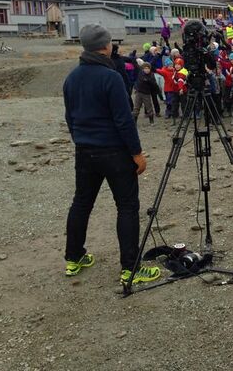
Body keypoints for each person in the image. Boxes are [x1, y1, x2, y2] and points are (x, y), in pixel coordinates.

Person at [62, 24, 160, 285]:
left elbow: (70, 118)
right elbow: (124, 120)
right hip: (114, 151)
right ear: (105, 45)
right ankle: (130, 268)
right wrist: (137, 153)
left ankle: (73, 257)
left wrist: (81, 140)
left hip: (84, 152)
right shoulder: (110, 76)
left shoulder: (71, 78)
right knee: (127, 206)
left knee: (81, 203)